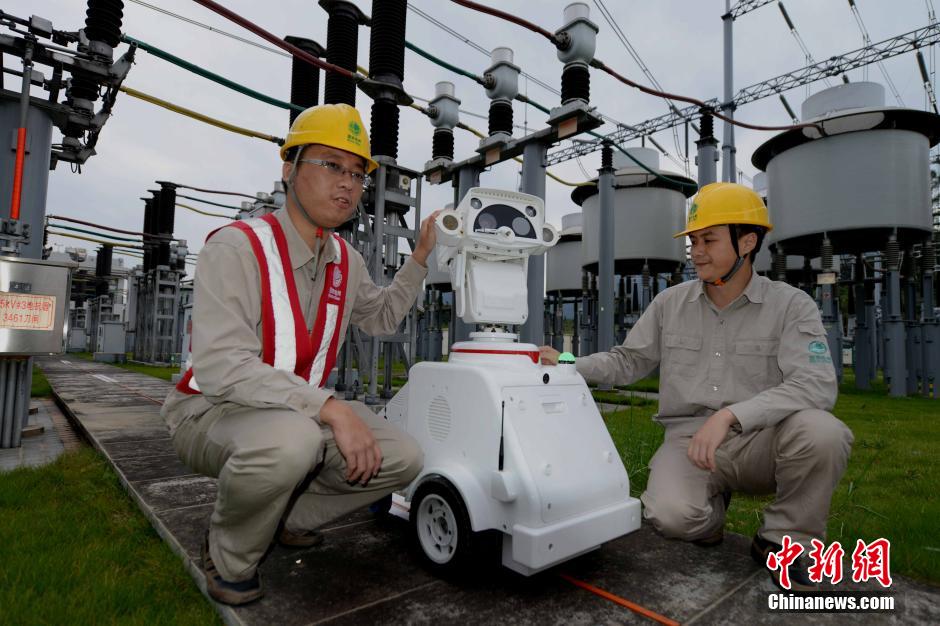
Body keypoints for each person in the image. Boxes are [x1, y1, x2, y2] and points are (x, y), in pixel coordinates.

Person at [162, 103, 437, 605]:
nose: (348, 184)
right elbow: (222, 368)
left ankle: (278, 517)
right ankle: (230, 553)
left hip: (295, 412)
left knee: (404, 457)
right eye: (331, 165)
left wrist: (419, 257)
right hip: (212, 411)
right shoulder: (237, 248)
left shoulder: (344, 260)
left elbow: (380, 316)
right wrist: (331, 410)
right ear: (289, 169)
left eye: (357, 174)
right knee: (293, 442)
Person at [540, 182, 853, 591]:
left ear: (747, 242)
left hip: (762, 438)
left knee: (823, 433)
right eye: (692, 241)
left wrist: (730, 415)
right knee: (670, 517)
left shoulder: (791, 306)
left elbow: (816, 385)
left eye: (708, 239)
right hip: (690, 441)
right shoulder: (671, 303)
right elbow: (628, 360)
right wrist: (566, 362)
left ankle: (784, 538)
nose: (696, 251)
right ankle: (711, 512)